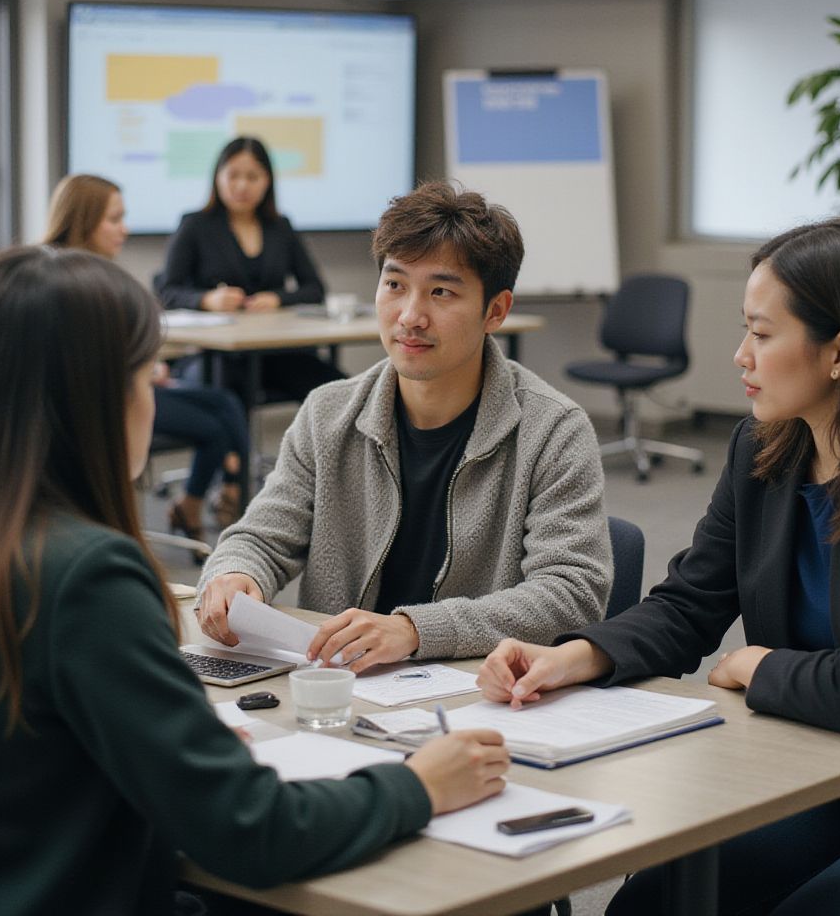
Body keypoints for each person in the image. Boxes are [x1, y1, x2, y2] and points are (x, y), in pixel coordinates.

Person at [0, 245, 509, 916]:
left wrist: (177, 753)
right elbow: (252, 830)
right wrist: (418, 786)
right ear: (95, 397)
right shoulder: (87, 578)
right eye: (150, 377)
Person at [477, 217, 840, 916]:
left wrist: (754, 667)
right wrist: (577, 655)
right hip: (823, 773)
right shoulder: (765, 447)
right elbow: (689, 603)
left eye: (762, 334)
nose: (740, 356)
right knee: (652, 902)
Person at [196, 181, 612, 674]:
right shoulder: (328, 414)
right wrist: (235, 573)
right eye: (395, 285)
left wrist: (416, 630)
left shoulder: (552, 431)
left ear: (496, 311)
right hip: (341, 692)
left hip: (478, 696)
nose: (410, 317)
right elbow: (262, 537)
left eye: (441, 292)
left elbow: (571, 592)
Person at [45, 173, 250, 546]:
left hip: (129, 383)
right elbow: (82, 363)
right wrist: (141, 369)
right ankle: (204, 498)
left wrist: (144, 367)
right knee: (215, 425)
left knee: (224, 401)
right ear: (84, 218)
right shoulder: (73, 283)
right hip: (104, 401)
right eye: (114, 219)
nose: (124, 229)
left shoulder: (84, 273)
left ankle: (223, 487)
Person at [156, 136, 345, 404]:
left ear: (267, 181)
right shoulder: (195, 226)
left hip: (276, 352)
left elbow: (314, 288)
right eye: (232, 175)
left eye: (252, 177)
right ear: (217, 178)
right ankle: (236, 448)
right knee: (227, 393)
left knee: (338, 392)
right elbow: (166, 290)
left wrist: (277, 298)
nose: (241, 185)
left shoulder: (280, 227)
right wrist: (207, 299)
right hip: (217, 353)